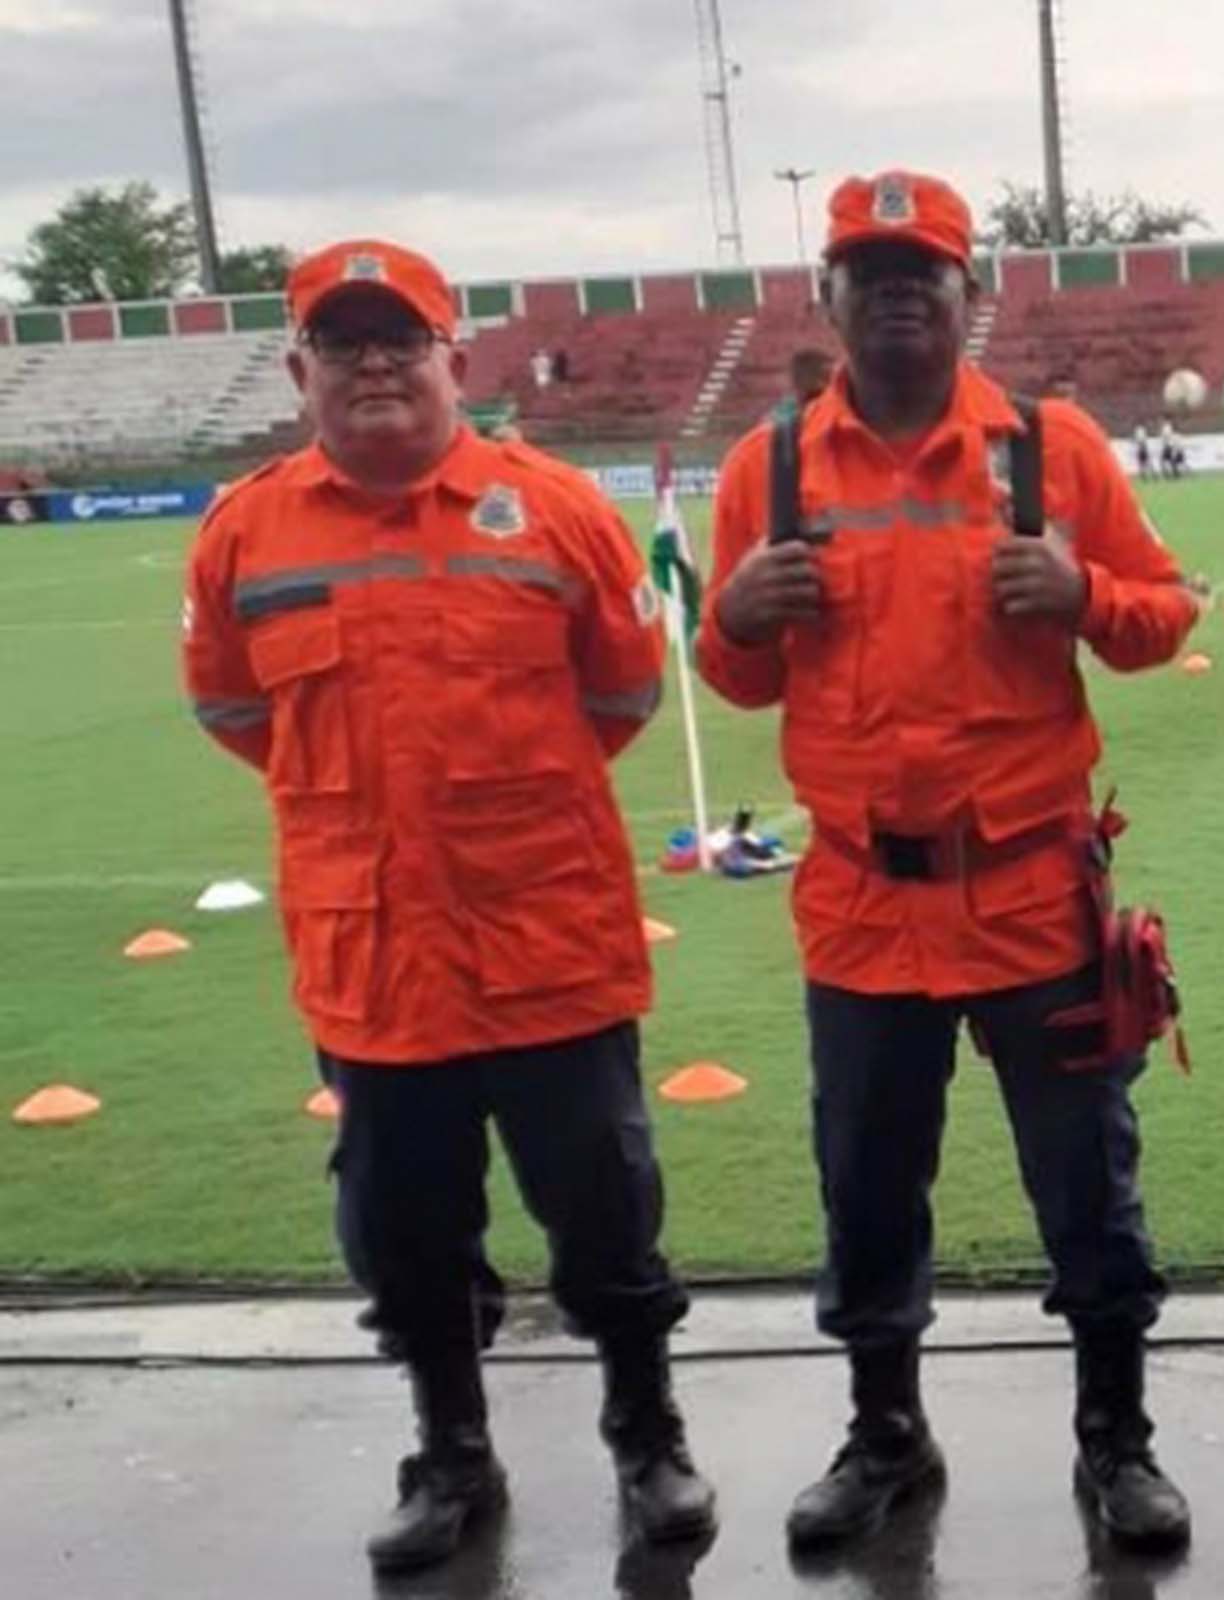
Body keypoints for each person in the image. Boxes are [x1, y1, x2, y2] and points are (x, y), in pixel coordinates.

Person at [182, 239, 715, 1573]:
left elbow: (623, 693)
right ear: (299, 368)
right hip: (373, 963)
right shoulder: (245, 531)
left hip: (549, 944)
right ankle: (453, 1455)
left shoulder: (555, 511)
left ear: (452, 361)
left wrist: (499, 820)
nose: (373, 363)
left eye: (399, 339)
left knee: (605, 1216)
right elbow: (233, 707)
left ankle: (646, 1438)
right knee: (405, 1236)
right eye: (343, 343)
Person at [696, 171, 1201, 1554]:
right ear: (830, 297)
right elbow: (731, 680)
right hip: (861, 905)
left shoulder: (1054, 450)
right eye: (871, 268)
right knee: (865, 1194)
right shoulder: (774, 469)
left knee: (1088, 1193)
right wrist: (733, 617)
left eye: (927, 268)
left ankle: (1119, 1446)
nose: (901, 290)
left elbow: (1167, 613)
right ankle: (884, 1441)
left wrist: (1086, 595)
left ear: (973, 295)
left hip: (1035, 897)